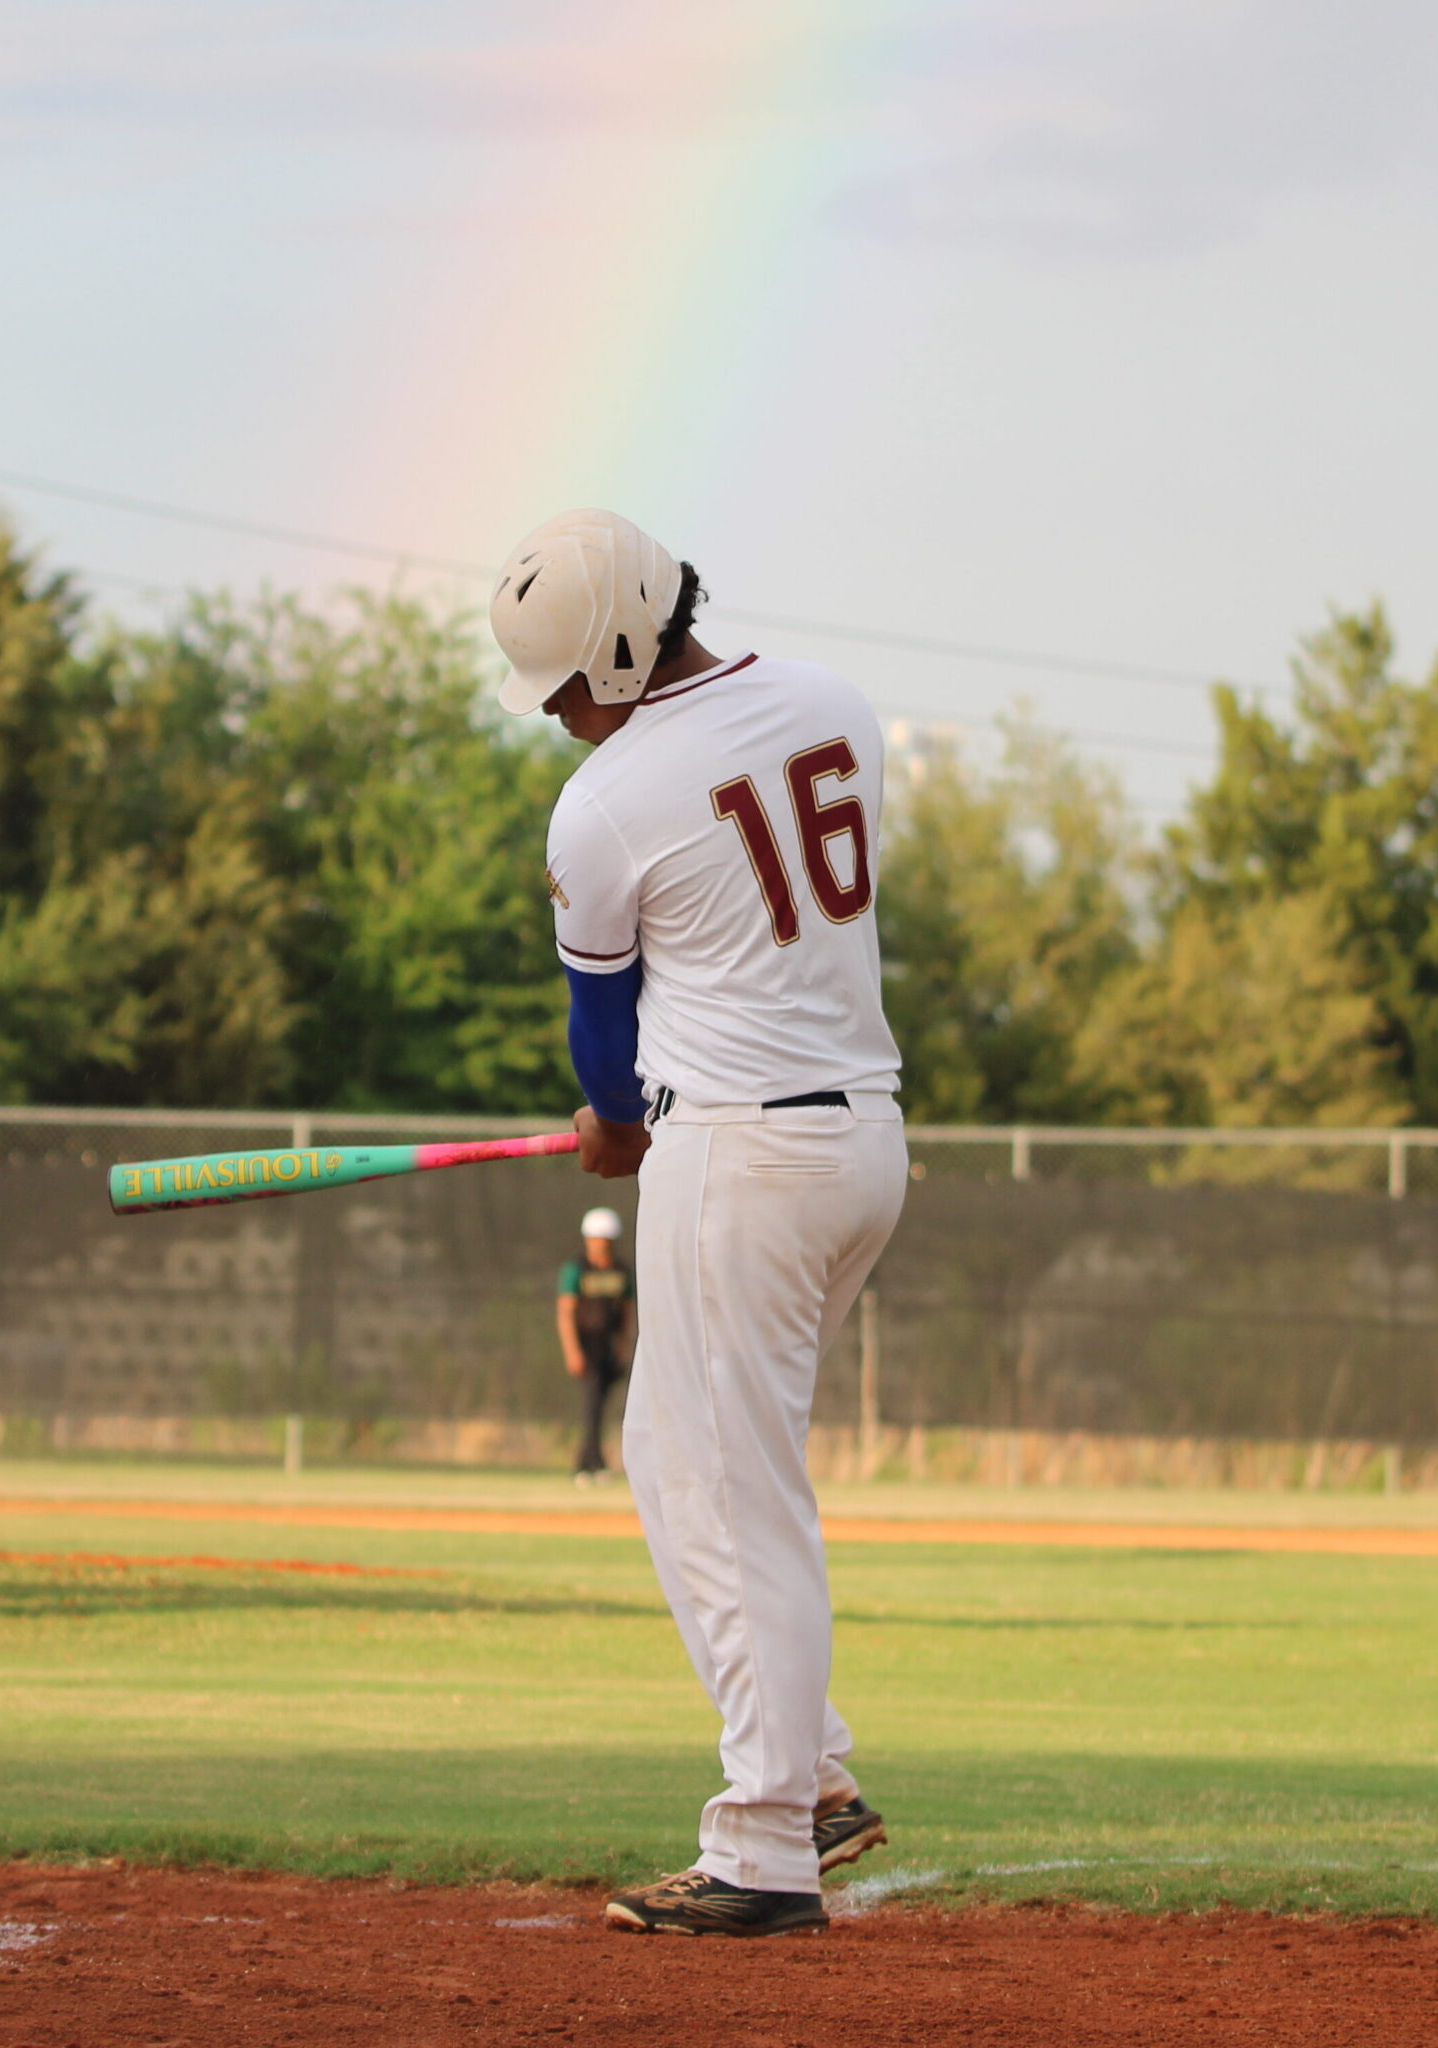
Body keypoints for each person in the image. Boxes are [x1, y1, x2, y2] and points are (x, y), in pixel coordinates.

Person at [492, 508, 905, 1938]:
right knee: (676, 1461)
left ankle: (764, 1844)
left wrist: (610, 1120)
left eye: (561, 688)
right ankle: (812, 1775)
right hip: (858, 1142)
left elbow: (599, 1036)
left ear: (615, 648)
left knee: (734, 1496)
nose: (554, 716)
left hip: (735, 1161)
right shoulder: (832, 703)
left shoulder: (604, 801)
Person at [557, 1205, 635, 1483]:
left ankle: (593, 1462)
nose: (600, 1244)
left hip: (610, 1347)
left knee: (603, 1405)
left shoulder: (622, 1271)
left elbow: (627, 1311)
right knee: (592, 1405)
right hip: (586, 1346)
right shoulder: (577, 1270)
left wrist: (624, 1345)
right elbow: (566, 1312)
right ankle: (588, 1465)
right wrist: (573, 1351)